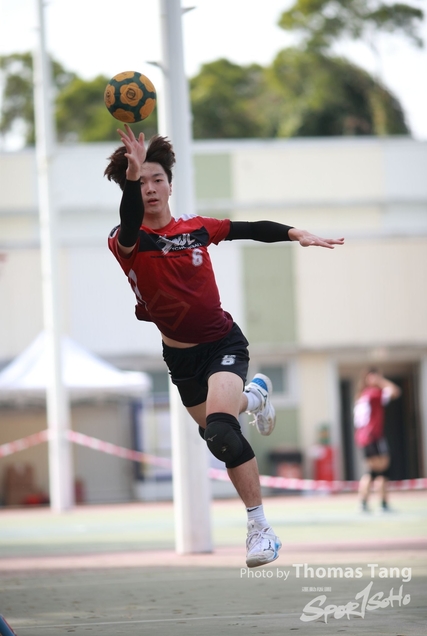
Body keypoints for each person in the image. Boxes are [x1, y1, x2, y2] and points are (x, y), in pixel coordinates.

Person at [104, 125, 345, 567]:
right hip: (181, 358)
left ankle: (260, 529)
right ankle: (255, 396)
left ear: (170, 185)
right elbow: (130, 221)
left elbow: (246, 228)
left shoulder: (196, 228)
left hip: (222, 344)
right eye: (140, 182)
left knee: (221, 430)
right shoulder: (126, 241)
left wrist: (295, 233)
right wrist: (131, 173)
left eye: (157, 179)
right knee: (215, 434)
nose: (150, 188)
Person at [353, 368, 401, 512]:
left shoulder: (362, 395)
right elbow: (395, 391)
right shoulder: (374, 394)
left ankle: (364, 502)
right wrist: (381, 381)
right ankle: (382, 504)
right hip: (373, 436)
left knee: (372, 472)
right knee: (382, 471)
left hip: (364, 437)